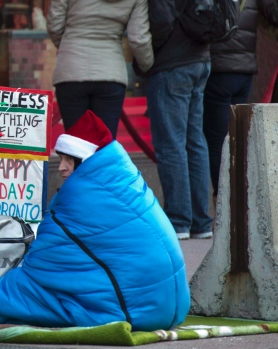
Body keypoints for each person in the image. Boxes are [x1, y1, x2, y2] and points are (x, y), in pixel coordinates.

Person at [0, 110, 189, 331]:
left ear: (84, 159)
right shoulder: (125, 179)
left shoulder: (79, 196)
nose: (61, 167)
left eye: (67, 160)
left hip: (135, 310)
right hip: (173, 305)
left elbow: (42, 263)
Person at [138, 0, 212, 240]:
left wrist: (148, 57)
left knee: (171, 143)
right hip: (200, 57)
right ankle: (201, 221)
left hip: (171, 63)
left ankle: (179, 219)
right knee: (195, 142)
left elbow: (160, 22)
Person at [203, 0, 278, 205]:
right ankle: (240, 195)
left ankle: (225, 198)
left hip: (219, 68)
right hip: (245, 70)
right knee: (237, 136)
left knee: (218, 139)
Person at [47, 0, 154, 137]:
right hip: (111, 70)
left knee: (75, 145)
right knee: (105, 145)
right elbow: (139, 39)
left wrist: (68, 47)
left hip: (72, 69)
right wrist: (148, 66)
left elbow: (54, 26)